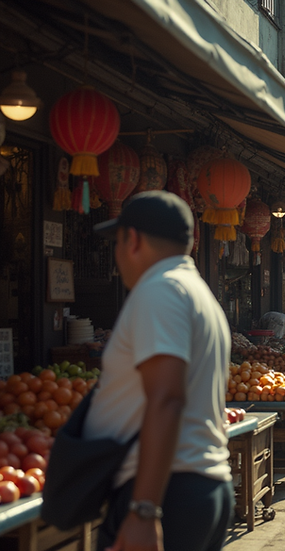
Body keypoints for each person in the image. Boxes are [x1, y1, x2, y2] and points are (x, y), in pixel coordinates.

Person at [88, 191, 233, 550]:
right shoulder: (196, 292)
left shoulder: (161, 290)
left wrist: (144, 509)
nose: (117, 257)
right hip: (195, 486)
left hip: (168, 491)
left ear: (132, 240)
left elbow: (167, 397)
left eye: (118, 243)